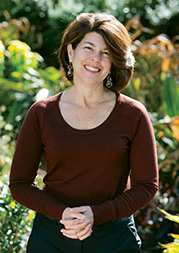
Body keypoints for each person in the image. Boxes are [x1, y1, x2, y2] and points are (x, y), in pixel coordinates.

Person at [9, 13, 159, 253]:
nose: (96, 59)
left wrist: (97, 215)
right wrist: (62, 213)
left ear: (114, 62)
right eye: (88, 48)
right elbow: (19, 184)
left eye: (106, 53)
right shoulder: (41, 113)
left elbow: (146, 186)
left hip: (114, 240)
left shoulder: (133, 115)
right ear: (71, 52)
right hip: (51, 239)